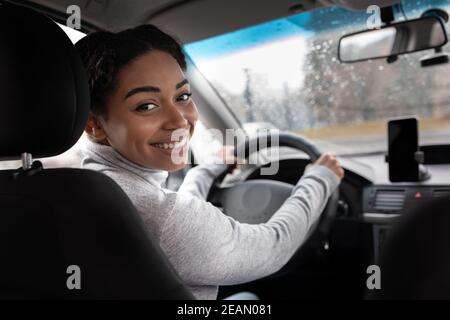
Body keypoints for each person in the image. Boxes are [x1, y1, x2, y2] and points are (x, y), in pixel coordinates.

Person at [75, 24, 344, 300]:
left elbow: (176, 215)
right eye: (147, 105)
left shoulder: (79, 189)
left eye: (182, 97)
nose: (180, 120)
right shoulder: (163, 218)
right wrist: (319, 179)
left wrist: (209, 169)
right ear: (95, 125)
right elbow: (273, 246)